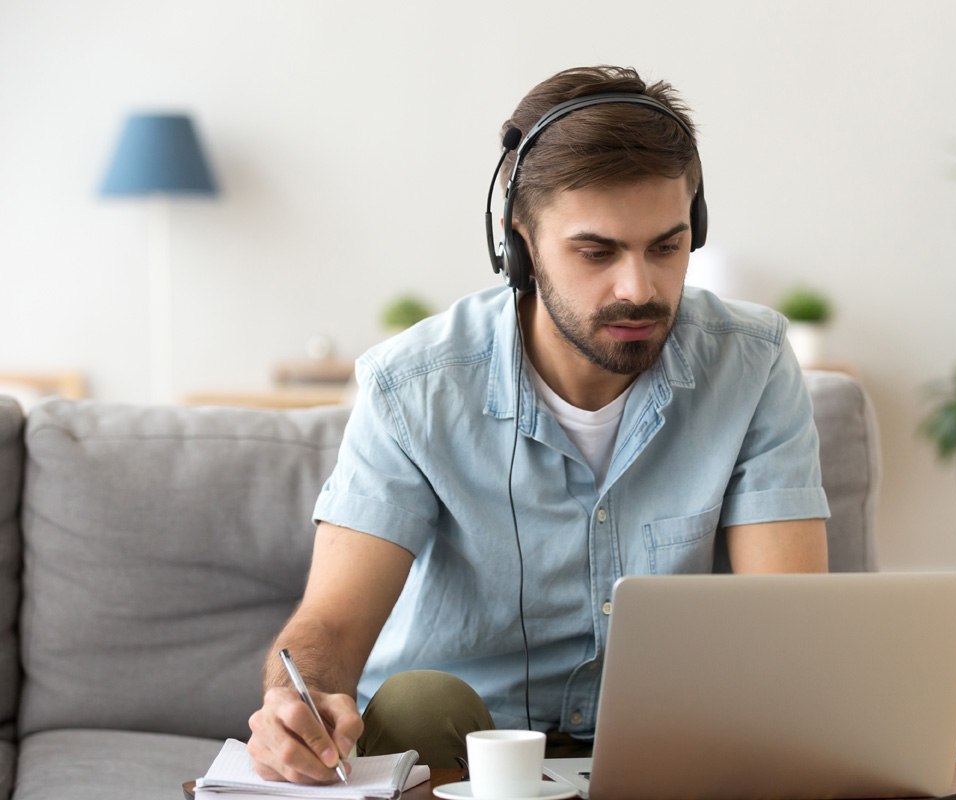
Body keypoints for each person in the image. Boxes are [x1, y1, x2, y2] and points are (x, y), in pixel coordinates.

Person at [247, 65, 830, 784]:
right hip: (459, 748)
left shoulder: (755, 364)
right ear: (518, 244)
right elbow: (332, 628)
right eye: (596, 252)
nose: (639, 289)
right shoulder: (411, 388)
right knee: (419, 701)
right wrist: (294, 704)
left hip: (665, 748)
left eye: (666, 247)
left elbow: (791, 623)